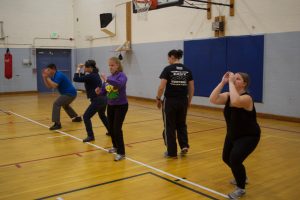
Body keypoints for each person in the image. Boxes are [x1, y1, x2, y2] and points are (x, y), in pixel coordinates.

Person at [209, 71, 261, 199]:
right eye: (234, 78)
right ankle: (242, 176)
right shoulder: (228, 96)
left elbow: (236, 101)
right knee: (226, 158)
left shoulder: (247, 98)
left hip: (249, 136)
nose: (234, 79)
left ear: (244, 84)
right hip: (233, 134)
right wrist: (223, 82)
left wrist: (231, 83)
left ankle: (241, 188)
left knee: (235, 159)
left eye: (238, 79)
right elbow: (213, 99)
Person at [156, 49, 194, 158]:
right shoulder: (188, 70)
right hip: (183, 101)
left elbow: (161, 87)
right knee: (181, 123)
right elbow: (191, 88)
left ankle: (172, 152)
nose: (168, 60)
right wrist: (189, 101)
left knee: (169, 126)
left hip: (170, 102)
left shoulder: (168, 69)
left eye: (168, 58)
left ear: (172, 57)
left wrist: (158, 98)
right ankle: (184, 145)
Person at [96, 57, 128, 161]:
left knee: (117, 128)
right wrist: (98, 91)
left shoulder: (122, 76)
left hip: (121, 106)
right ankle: (115, 146)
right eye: (109, 65)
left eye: (112, 65)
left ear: (117, 65)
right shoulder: (109, 78)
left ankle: (121, 152)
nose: (110, 67)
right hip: (111, 105)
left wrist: (107, 79)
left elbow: (119, 84)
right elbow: (104, 92)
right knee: (111, 128)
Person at [73, 60, 109, 142]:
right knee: (102, 115)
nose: (84, 68)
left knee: (86, 117)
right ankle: (110, 131)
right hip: (103, 99)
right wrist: (82, 70)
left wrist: (78, 68)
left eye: (86, 67)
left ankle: (90, 136)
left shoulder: (91, 76)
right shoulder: (94, 74)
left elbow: (75, 79)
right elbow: (82, 78)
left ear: (90, 68)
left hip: (98, 100)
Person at [42, 63, 82, 130]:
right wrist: (45, 78)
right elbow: (49, 86)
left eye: (49, 70)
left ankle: (57, 124)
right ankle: (76, 118)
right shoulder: (54, 76)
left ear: (53, 69)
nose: (47, 71)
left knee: (56, 103)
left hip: (70, 93)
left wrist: (47, 78)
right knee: (65, 105)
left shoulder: (58, 75)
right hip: (69, 93)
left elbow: (54, 85)